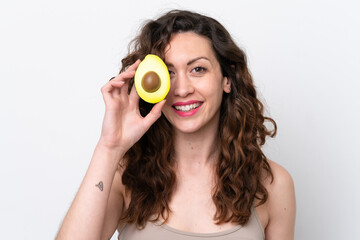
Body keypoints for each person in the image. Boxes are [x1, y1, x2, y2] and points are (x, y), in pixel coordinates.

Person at [56, 10, 296, 240]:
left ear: (227, 79)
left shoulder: (273, 184)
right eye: (168, 73)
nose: (181, 89)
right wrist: (109, 147)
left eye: (198, 69)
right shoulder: (124, 176)